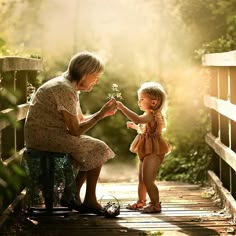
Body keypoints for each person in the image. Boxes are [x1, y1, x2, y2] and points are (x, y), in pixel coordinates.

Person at [24, 51, 117, 215]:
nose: (97, 81)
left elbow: (78, 121)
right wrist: (100, 114)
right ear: (85, 73)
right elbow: (75, 131)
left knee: (92, 148)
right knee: (98, 148)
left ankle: (71, 196)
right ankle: (87, 200)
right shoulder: (63, 89)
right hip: (44, 138)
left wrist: (101, 114)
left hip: (51, 134)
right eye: (95, 76)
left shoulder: (69, 88)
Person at [116, 82, 171, 213]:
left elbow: (138, 119)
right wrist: (135, 127)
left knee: (148, 179)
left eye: (142, 99)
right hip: (146, 150)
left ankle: (155, 204)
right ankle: (141, 201)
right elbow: (146, 129)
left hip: (153, 152)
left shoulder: (151, 114)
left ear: (153, 102)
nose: (139, 102)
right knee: (141, 179)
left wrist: (121, 107)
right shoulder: (149, 115)